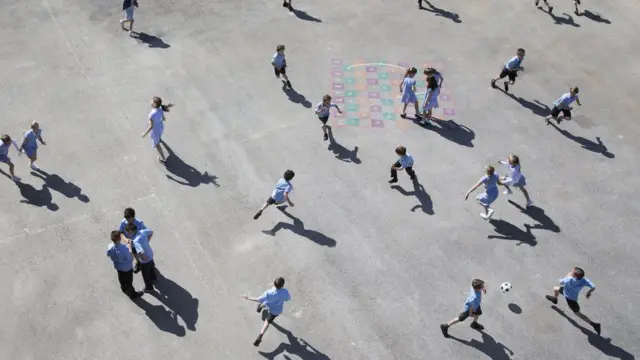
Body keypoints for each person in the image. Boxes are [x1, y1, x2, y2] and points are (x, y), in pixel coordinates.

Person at [546, 267, 601, 335]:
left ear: (574, 275)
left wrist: (568, 275)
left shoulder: (570, 278)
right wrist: (589, 292)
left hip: (571, 299)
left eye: (572, 271)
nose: (571, 271)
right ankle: (555, 299)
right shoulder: (584, 280)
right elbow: (593, 287)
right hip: (565, 291)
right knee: (555, 288)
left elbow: (561, 282)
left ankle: (594, 325)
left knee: (578, 314)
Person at [243, 277, 292, 346]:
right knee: (267, 321)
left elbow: (258, 299)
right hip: (276, 311)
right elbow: (287, 299)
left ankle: (261, 306)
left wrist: (248, 298)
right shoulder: (285, 292)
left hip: (268, 304)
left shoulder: (268, 292)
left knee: (265, 301)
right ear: (282, 285)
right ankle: (260, 335)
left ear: (274, 284)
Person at [107, 230, 143, 299]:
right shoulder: (124, 249)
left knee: (121, 278)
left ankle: (123, 287)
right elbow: (130, 258)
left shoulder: (110, 246)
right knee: (129, 282)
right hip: (127, 269)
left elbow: (108, 254)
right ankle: (132, 294)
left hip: (118, 267)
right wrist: (130, 248)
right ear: (120, 238)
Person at [125, 222, 156, 292]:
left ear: (131, 231)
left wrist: (141, 259)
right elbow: (151, 232)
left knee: (145, 274)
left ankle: (149, 287)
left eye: (128, 232)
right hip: (150, 253)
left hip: (145, 260)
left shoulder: (135, 241)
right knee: (151, 266)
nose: (127, 234)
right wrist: (147, 241)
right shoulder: (142, 231)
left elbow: (140, 252)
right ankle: (154, 277)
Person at [141, 96, 173, 164]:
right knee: (158, 137)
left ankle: (163, 159)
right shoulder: (160, 109)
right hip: (161, 127)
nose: (150, 102)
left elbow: (151, 126)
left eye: (152, 101)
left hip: (155, 130)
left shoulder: (151, 114)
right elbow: (164, 119)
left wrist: (144, 134)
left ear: (154, 104)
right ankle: (159, 139)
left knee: (157, 145)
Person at [118, 208, 147, 273]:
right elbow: (121, 232)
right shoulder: (123, 222)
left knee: (143, 255)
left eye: (129, 219)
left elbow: (145, 232)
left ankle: (147, 265)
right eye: (126, 219)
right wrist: (126, 239)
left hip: (139, 244)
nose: (127, 221)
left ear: (133, 217)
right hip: (130, 244)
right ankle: (138, 263)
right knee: (134, 254)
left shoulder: (139, 223)